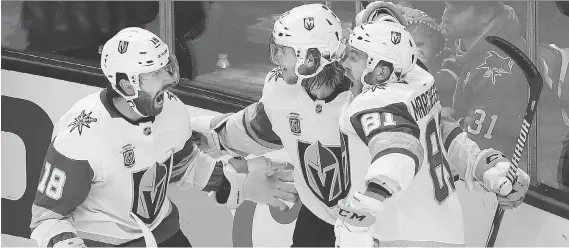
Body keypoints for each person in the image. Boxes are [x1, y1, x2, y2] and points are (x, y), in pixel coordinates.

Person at [29, 27, 297, 247]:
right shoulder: (81, 135)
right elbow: (47, 218)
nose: (168, 79)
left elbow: (182, 165)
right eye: (154, 73)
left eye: (166, 66)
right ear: (126, 85)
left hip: (163, 233)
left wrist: (234, 182)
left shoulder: (171, 109)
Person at [332, 19, 530, 247]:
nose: (345, 63)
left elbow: (400, 151)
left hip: (401, 235)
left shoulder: (375, 102)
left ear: (381, 70)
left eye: (354, 57)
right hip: (445, 230)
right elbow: (441, 129)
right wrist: (480, 164)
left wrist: (362, 211)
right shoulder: (416, 84)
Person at [191, 3, 357, 247]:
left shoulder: (363, 100)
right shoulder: (281, 93)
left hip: (369, 223)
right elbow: (253, 128)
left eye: (282, 51)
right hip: (318, 218)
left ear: (312, 58)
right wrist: (207, 137)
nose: (275, 59)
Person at [440, 1, 569, 189]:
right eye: (446, 5)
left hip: (539, 183)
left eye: (458, 8)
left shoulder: (499, 68)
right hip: (512, 177)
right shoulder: (476, 51)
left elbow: (479, 152)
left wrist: (441, 119)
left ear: (486, 15)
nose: (446, 15)